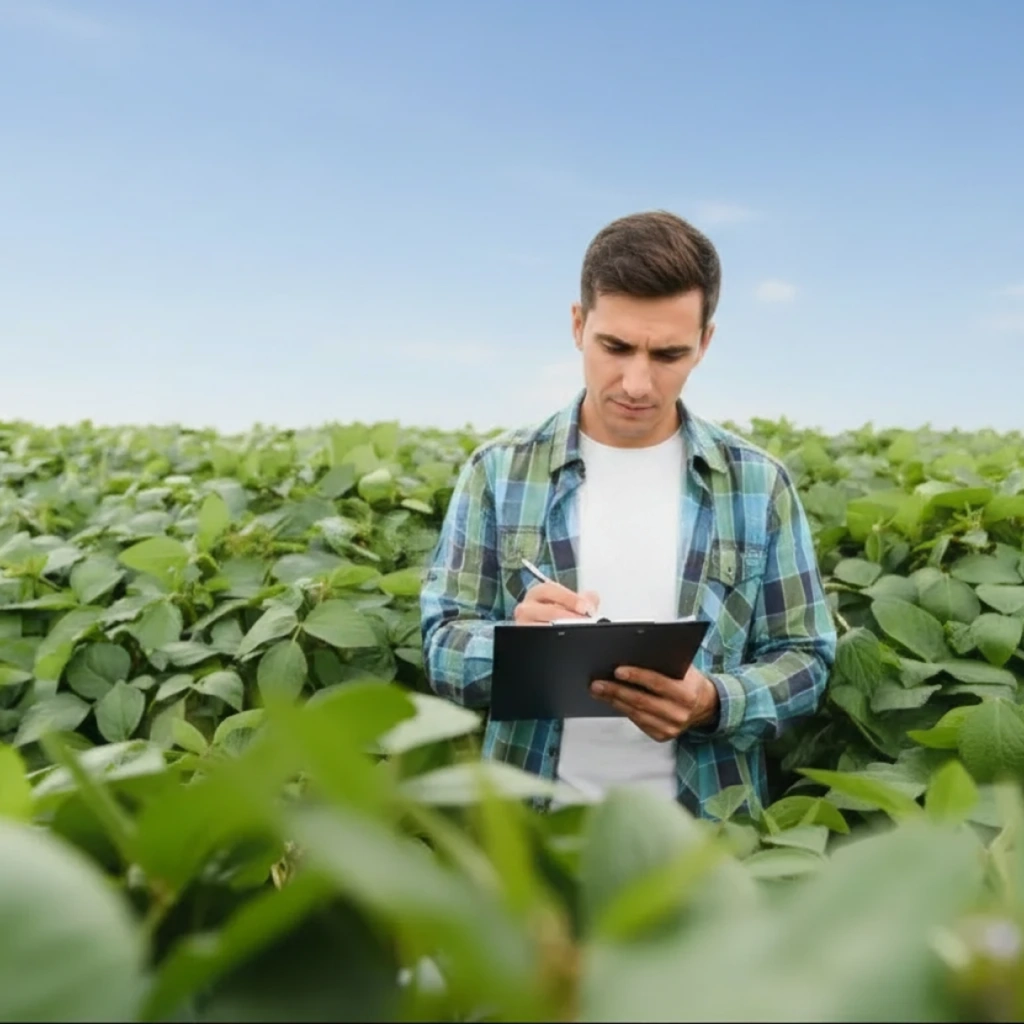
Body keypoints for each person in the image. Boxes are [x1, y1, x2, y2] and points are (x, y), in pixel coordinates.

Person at [418, 210, 836, 818]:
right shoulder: (498, 473)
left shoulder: (758, 484)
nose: (637, 383)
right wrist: (513, 647)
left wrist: (714, 701)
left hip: (702, 838)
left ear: (705, 344)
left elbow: (807, 658)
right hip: (536, 839)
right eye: (615, 347)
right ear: (578, 325)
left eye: (668, 354)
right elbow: (442, 648)